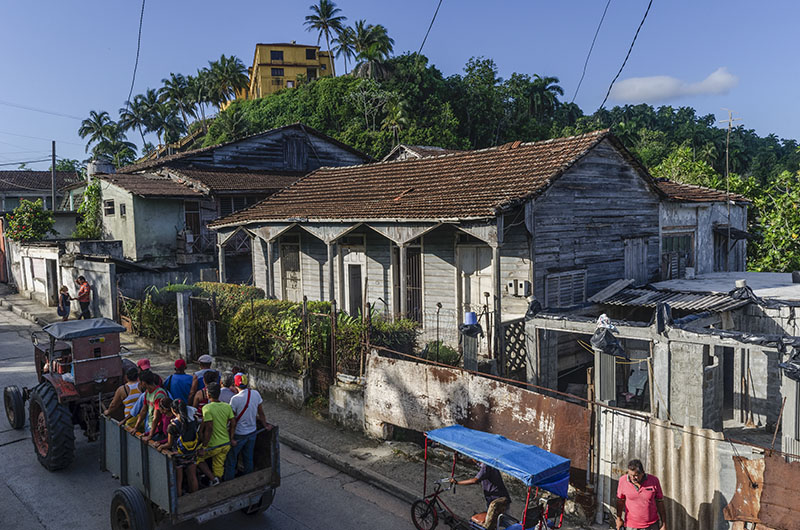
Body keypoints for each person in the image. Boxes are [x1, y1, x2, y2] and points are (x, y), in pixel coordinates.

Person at [156, 399, 214, 496]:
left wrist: (161, 446)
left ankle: (181, 500)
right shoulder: (194, 420)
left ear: (174, 410)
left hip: (179, 455)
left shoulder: (172, 426)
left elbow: (169, 444)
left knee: (179, 481)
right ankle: (195, 498)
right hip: (191, 453)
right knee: (192, 476)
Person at [224, 373, 266, 480]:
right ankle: (248, 480)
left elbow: (232, 421)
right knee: (248, 458)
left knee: (231, 459)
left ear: (235, 384)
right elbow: (261, 413)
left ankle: (229, 481)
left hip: (239, 434)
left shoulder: (235, 399)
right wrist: (265, 425)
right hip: (252, 432)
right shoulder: (256, 394)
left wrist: (231, 437)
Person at [451, 460, 511, 530]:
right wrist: (459, 459)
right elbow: (475, 462)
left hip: (496, 501)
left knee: (497, 521)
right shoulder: (487, 463)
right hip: (495, 499)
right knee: (500, 520)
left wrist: (457, 483)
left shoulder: (486, 466)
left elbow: (475, 480)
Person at [199, 382, 236, 483]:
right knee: (218, 466)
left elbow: (209, 428)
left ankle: (213, 479)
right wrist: (231, 438)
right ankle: (217, 480)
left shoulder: (207, 408)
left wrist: (204, 446)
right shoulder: (227, 406)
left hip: (213, 445)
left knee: (198, 459)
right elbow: (233, 423)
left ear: (208, 395)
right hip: (225, 444)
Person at [616, 459, 667, 530]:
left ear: (642, 473)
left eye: (636, 475)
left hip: (651, 526)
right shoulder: (623, 480)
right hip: (631, 526)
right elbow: (620, 501)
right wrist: (619, 519)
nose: (633, 478)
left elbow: (660, 502)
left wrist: (664, 524)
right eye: (630, 475)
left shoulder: (654, 480)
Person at [131, 370, 168, 436]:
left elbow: (157, 416)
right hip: (149, 426)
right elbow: (143, 411)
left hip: (157, 429)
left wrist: (150, 435)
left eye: (140, 382)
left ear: (144, 383)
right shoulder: (147, 392)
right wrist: (136, 427)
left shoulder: (159, 394)